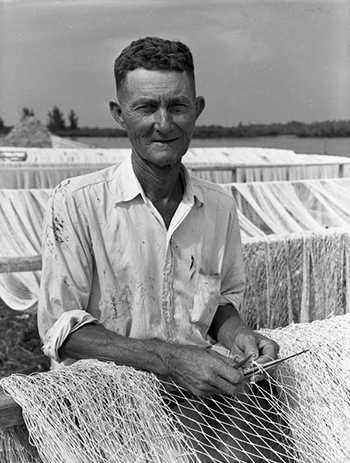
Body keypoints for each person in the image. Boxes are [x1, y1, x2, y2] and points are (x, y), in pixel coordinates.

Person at [38, 36, 279, 399]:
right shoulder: (76, 202)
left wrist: (238, 334)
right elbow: (62, 331)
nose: (164, 124)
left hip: (194, 405)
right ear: (119, 114)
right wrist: (170, 359)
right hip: (99, 409)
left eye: (177, 106)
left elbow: (218, 302)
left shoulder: (219, 206)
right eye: (146, 107)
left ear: (196, 109)